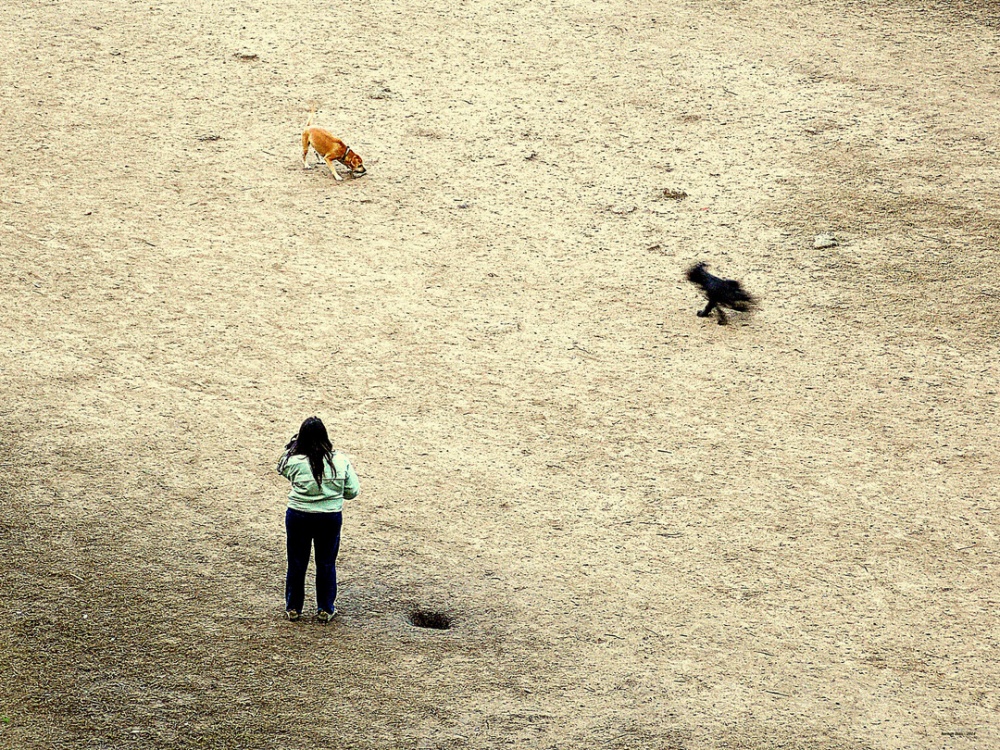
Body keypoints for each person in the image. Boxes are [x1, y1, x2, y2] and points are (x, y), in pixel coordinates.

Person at [277, 416, 359, 623]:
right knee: (326, 562)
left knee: (296, 562)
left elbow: (282, 467)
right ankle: (325, 608)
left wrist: (293, 448)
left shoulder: (293, 461)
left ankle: (293, 608)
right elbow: (352, 492)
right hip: (329, 518)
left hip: (298, 515)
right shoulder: (340, 461)